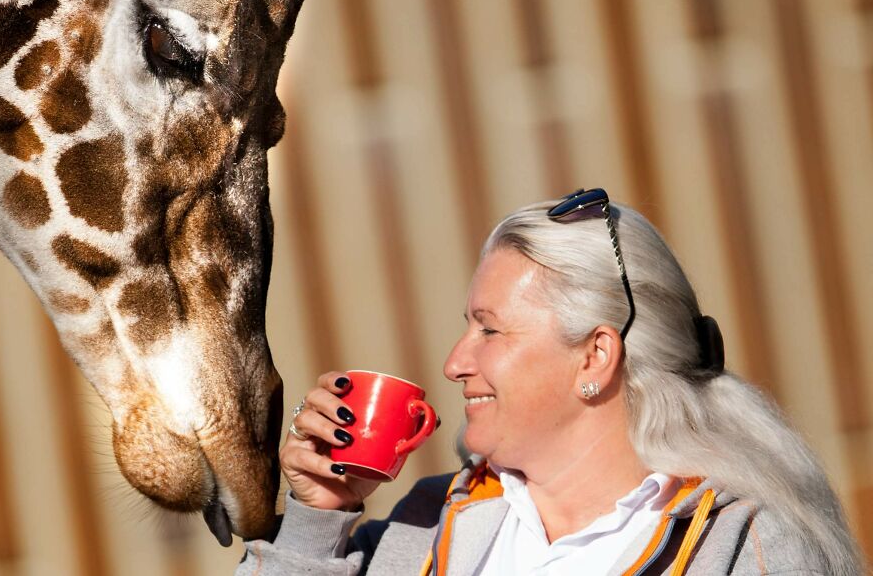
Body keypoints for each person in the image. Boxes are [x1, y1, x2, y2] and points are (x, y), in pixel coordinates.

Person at [236, 189, 863, 575]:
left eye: (490, 330)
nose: (454, 362)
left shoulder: (747, 545)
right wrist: (319, 518)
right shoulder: (424, 522)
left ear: (594, 357)